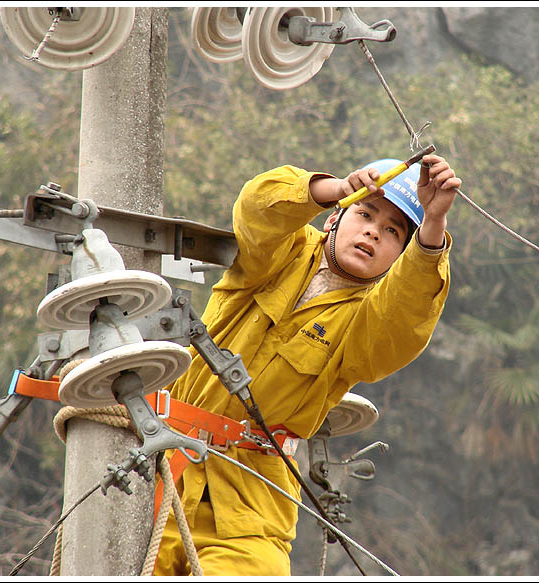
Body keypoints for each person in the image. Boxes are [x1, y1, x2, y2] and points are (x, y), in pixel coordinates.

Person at [153, 153, 461, 576]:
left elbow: (404, 319)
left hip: (249, 506)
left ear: (399, 258)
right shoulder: (281, 252)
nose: (373, 232)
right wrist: (334, 188)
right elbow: (256, 207)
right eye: (365, 213)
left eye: (393, 231)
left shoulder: (367, 320)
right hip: (158, 465)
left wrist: (432, 227)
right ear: (334, 219)